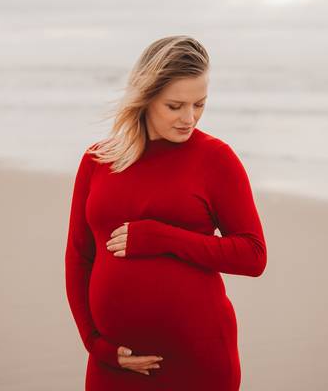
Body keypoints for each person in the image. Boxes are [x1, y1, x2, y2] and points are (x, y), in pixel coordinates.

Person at [64, 35, 267, 390]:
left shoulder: (216, 159)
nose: (189, 118)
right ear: (145, 97)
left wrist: (162, 237)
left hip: (197, 359)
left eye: (199, 105)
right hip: (115, 363)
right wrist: (95, 344)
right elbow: (80, 256)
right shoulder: (98, 160)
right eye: (175, 106)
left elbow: (252, 255)